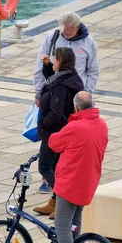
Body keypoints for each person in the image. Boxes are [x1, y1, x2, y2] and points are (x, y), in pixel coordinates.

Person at [44, 91, 108, 243]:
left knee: (62, 225)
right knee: (75, 220)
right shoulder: (101, 125)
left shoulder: (76, 127)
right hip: (88, 182)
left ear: (76, 107)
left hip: (70, 183)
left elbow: (54, 143)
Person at [33, 47, 83, 220]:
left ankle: (63, 200)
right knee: (56, 167)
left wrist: (41, 124)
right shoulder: (69, 78)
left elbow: (55, 112)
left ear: (62, 63)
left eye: (55, 59)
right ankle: (55, 201)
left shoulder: (62, 85)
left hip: (55, 132)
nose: (53, 60)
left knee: (45, 166)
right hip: (65, 130)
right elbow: (52, 82)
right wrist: (47, 67)